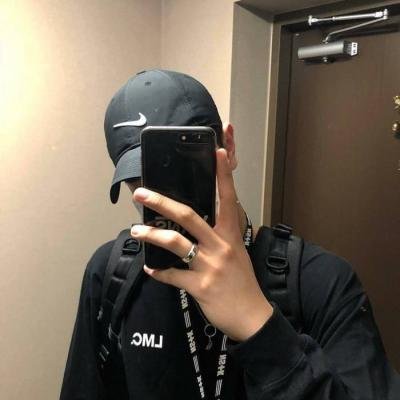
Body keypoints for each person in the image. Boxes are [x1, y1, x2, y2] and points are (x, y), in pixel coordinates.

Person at [60, 69, 400, 400]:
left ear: (230, 147)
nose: (165, 197)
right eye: (140, 178)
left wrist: (258, 324)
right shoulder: (111, 273)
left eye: (183, 167)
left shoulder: (321, 280)